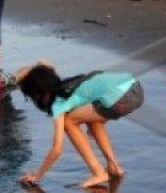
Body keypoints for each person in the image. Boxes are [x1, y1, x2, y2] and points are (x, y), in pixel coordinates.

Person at [15, 61, 144, 189]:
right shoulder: (72, 85)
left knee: (68, 122)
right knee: (92, 119)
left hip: (121, 99)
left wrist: (38, 175)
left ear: (39, 95)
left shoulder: (59, 103)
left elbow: (57, 149)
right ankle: (114, 166)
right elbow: (46, 64)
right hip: (135, 88)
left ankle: (98, 173)